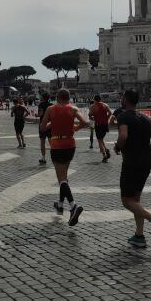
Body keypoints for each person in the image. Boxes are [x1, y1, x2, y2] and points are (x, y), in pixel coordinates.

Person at [114, 89, 151, 247]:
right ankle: (139, 236)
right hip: (146, 162)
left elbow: (123, 135)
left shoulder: (123, 116)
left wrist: (118, 147)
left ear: (125, 99)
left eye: (122, 97)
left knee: (126, 201)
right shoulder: (146, 118)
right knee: (136, 199)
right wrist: (144, 150)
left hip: (131, 161)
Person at [39, 88, 86, 226]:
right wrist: (75, 128)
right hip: (70, 145)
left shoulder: (50, 109)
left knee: (62, 179)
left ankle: (73, 206)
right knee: (63, 177)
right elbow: (85, 122)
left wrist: (51, 123)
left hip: (57, 144)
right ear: (69, 97)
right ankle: (60, 205)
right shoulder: (73, 109)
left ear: (57, 97)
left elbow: (42, 128)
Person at [89, 94, 113, 162]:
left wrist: (93, 117)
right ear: (100, 99)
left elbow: (90, 115)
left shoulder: (93, 106)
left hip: (98, 125)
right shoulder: (105, 105)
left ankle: (104, 155)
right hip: (105, 125)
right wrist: (106, 118)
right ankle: (106, 150)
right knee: (101, 139)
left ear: (94, 100)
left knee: (99, 140)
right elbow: (110, 113)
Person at [36, 92, 52, 165]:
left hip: (42, 124)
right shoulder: (52, 105)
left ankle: (43, 158)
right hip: (50, 124)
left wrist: (36, 115)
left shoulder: (41, 104)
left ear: (42, 97)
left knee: (42, 142)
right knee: (51, 141)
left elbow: (40, 114)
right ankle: (55, 155)